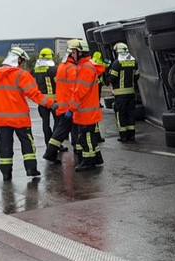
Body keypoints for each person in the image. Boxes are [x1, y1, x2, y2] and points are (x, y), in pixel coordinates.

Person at [0, 47, 57, 180]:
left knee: (5, 146)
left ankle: (6, 173)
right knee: (27, 143)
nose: (23, 65)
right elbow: (35, 94)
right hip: (19, 118)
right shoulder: (22, 75)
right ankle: (31, 169)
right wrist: (50, 104)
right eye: (22, 62)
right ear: (18, 60)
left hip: (0, 120)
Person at [68, 40, 106, 171]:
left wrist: (71, 108)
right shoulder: (87, 67)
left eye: (74, 52)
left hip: (85, 111)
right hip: (87, 110)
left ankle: (89, 162)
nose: (72, 55)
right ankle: (96, 158)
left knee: (87, 137)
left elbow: (79, 91)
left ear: (80, 52)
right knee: (89, 137)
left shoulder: (85, 68)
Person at [42, 40, 81, 163]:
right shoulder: (72, 68)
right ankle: (78, 152)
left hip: (62, 105)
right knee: (74, 130)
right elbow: (75, 88)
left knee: (60, 131)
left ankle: (50, 152)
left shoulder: (61, 67)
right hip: (70, 106)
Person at [107, 42, 139, 142]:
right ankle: (132, 135)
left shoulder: (117, 63)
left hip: (120, 95)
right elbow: (137, 76)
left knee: (120, 114)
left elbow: (112, 78)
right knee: (130, 114)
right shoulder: (134, 62)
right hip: (131, 93)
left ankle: (123, 136)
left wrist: (108, 72)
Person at [31, 47, 58, 147]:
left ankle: (48, 143)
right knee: (57, 122)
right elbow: (58, 82)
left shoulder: (35, 69)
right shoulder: (53, 69)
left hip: (41, 101)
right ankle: (55, 144)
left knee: (45, 123)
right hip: (53, 101)